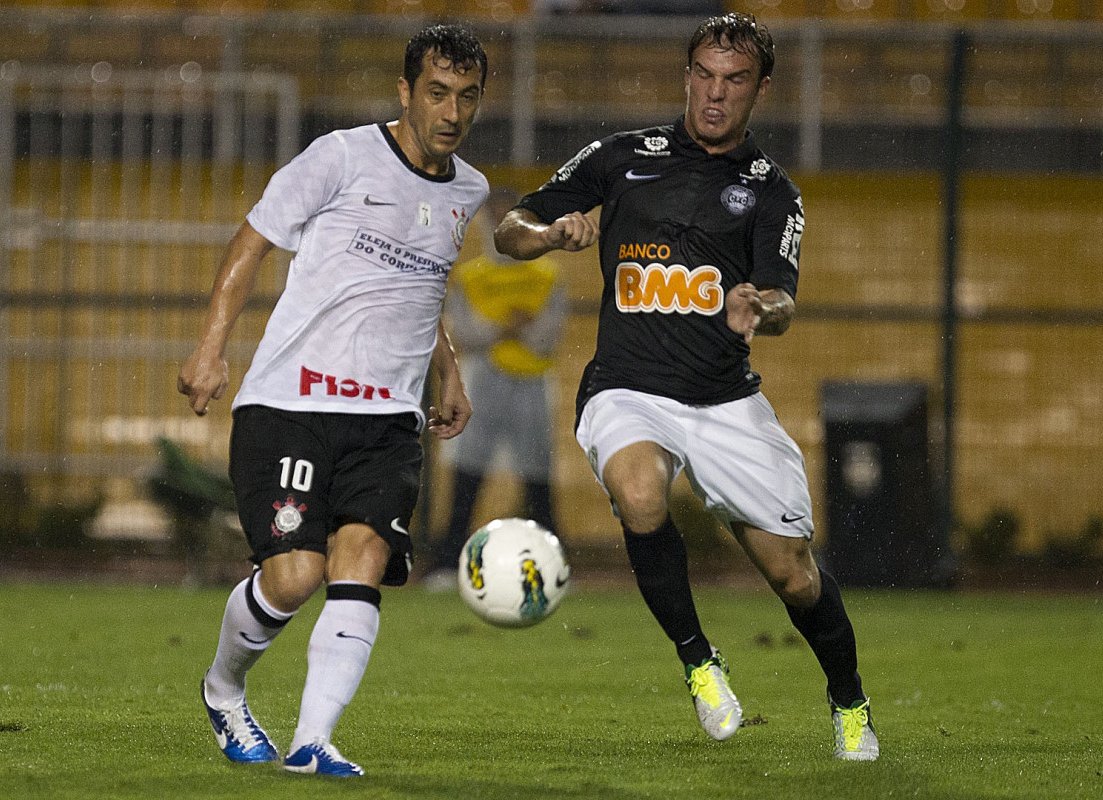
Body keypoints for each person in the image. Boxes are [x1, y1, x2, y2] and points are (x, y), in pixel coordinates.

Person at [494, 12, 879, 761]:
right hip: (626, 386)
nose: (714, 93)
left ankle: (850, 700)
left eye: (733, 80)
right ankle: (700, 662)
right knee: (638, 494)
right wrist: (544, 236)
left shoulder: (773, 193)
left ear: (760, 88)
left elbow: (784, 301)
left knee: (792, 575)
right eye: (703, 74)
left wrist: (759, 307)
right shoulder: (621, 155)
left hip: (724, 402)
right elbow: (513, 225)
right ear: (686, 76)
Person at [176, 23, 489, 777]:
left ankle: (312, 742)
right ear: (406, 92)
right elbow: (250, 242)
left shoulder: (469, 190)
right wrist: (211, 346)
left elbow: (423, 283)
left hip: (386, 420)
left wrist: (448, 369)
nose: (451, 112)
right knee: (292, 577)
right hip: (292, 403)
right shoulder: (340, 156)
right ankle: (223, 689)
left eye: (467, 98)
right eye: (437, 93)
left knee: (362, 563)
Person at [425, 186, 567, 588]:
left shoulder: (546, 274)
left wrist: (499, 332)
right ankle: (446, 563)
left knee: (538, 479)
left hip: (533, 383)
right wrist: (509, 327)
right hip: (483, 384)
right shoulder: (471, 277)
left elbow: (549, 335)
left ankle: (554, 563)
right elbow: (463, 333)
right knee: (468, 474)